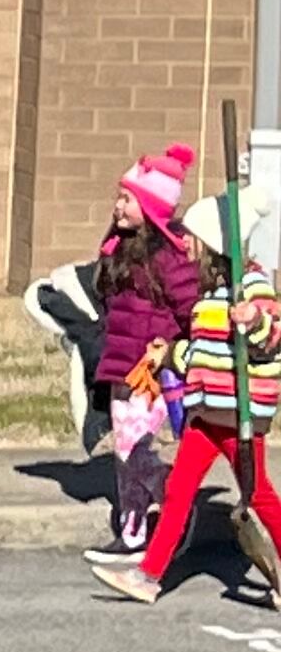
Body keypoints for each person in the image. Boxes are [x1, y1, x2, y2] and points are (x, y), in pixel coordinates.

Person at [96, 228, 281, 604]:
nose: (185, 245)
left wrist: (254, 321)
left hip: (236, 413)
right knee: (179, 490)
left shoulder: (253, 285)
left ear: (214, 244)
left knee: (257, 493)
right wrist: (168, 355)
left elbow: (271, 339)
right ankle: (149, 576)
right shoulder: (208, 295)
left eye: (193, 239)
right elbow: (201, 354)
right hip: (207, 410)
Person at [81, 148, 200, 565]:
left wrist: (177, 354)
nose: (118, 205)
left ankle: (175, 499)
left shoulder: (168, 258)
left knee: (136, 448)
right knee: (123, 451)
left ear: (150, 208)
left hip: (151, 369)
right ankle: (132, 532)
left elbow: (189, 311)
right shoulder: (117, 248)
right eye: (119, 196)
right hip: (120, 363)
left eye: (128, 199)